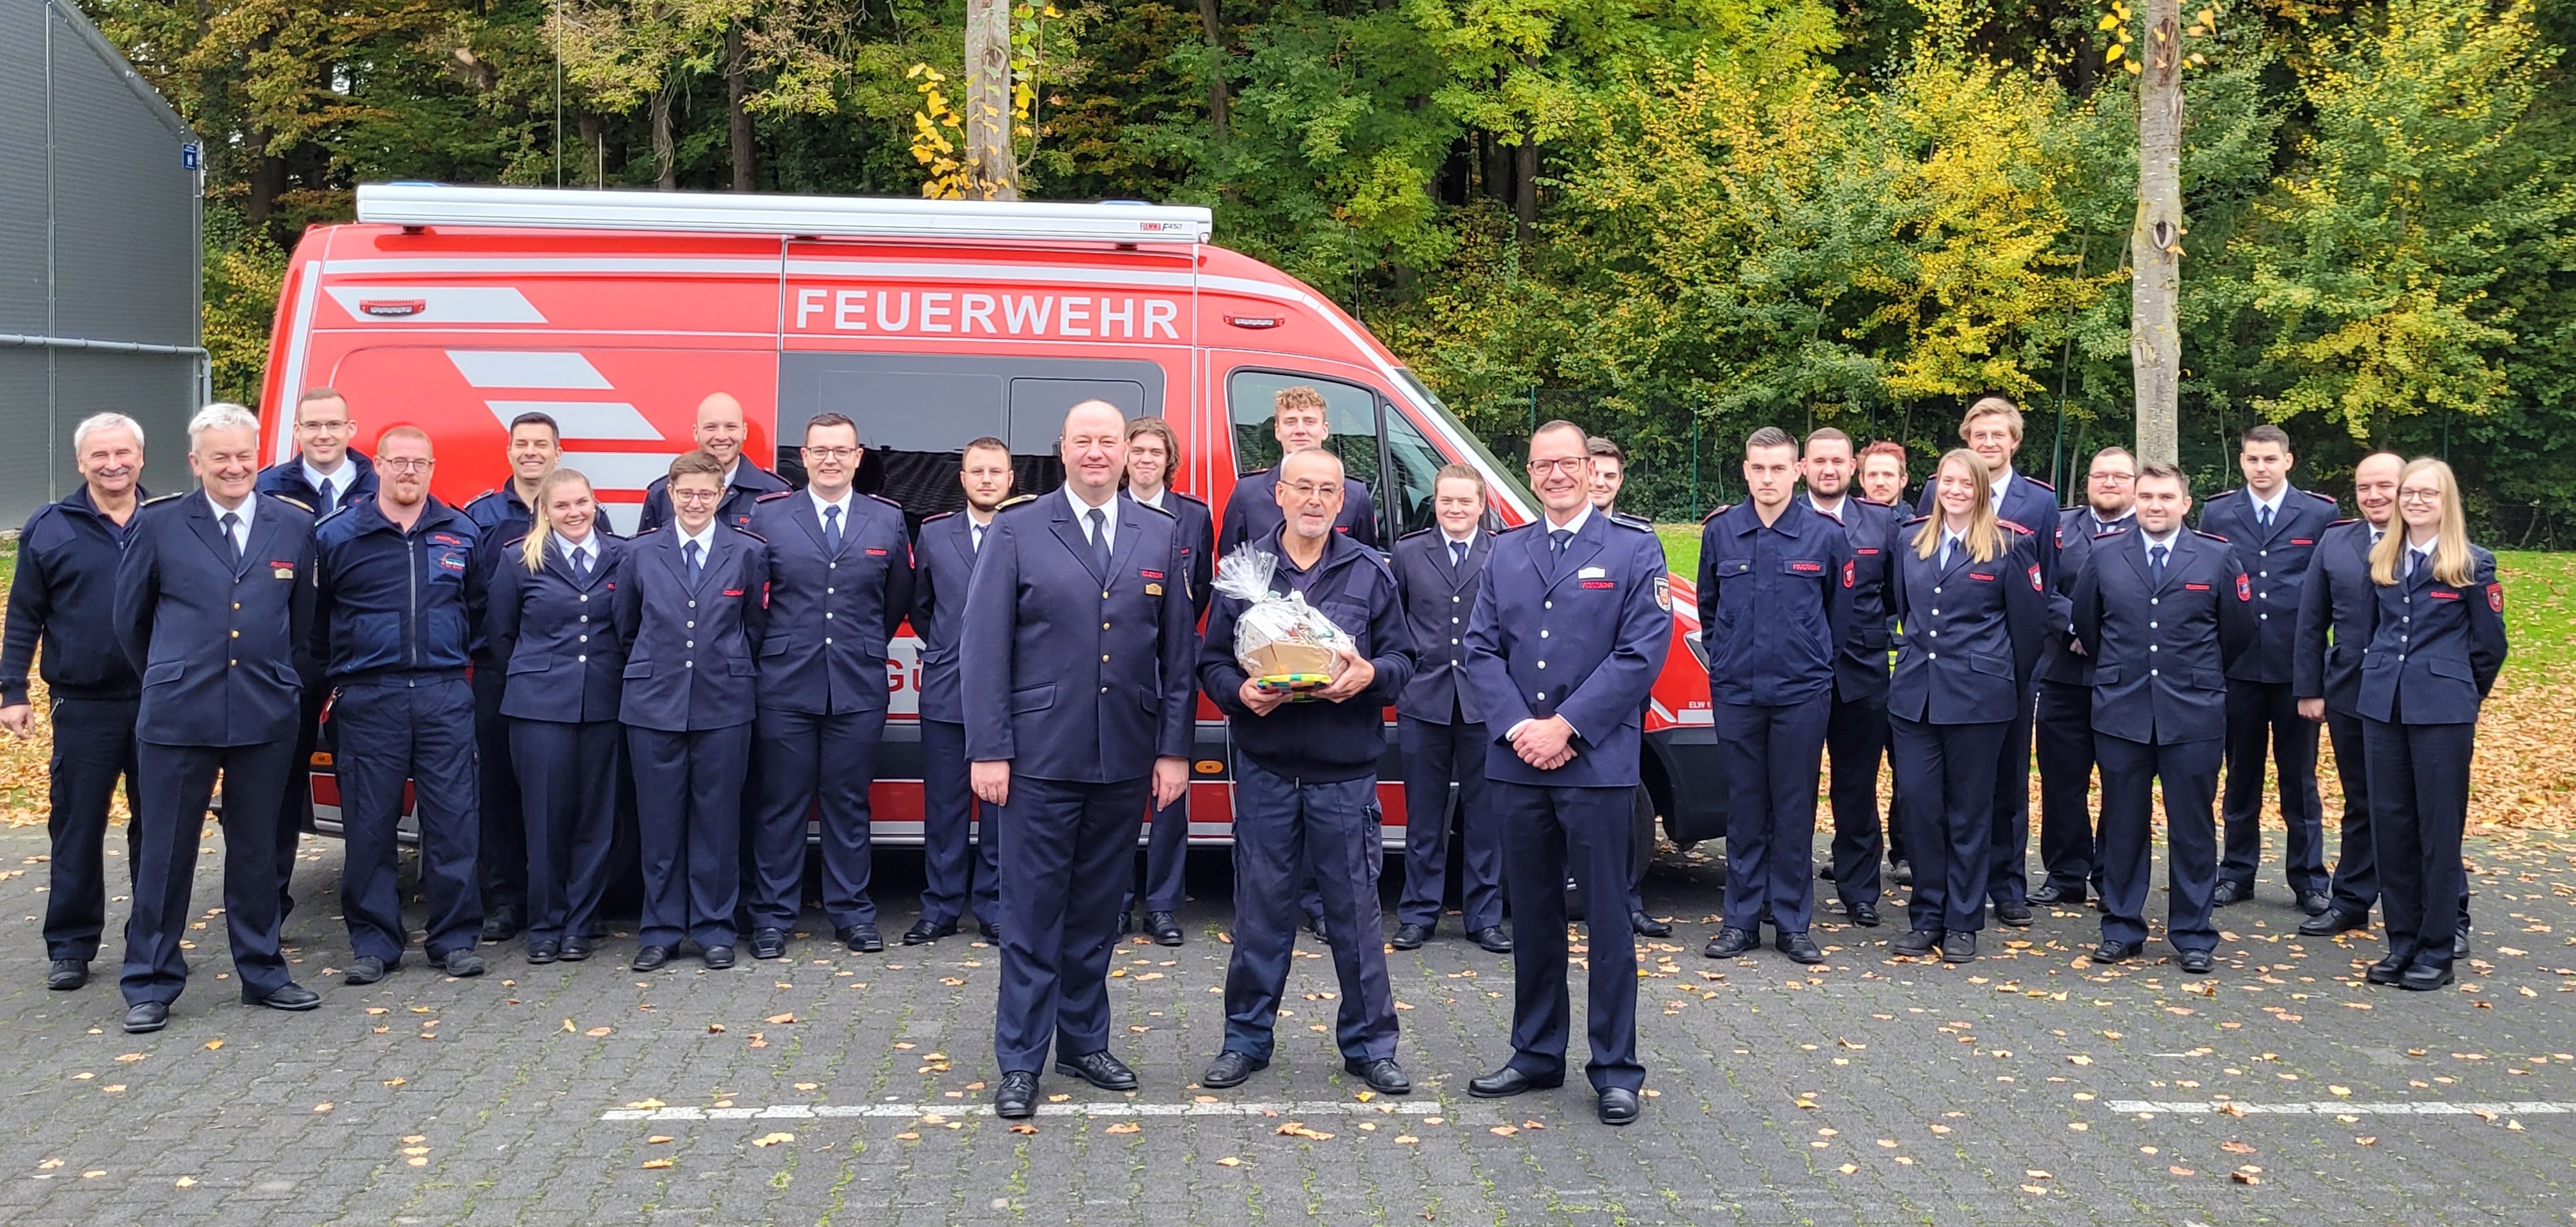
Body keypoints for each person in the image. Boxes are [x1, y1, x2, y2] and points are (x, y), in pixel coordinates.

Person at [963, 401, 1196, 1120]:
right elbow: (983, 649)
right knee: (1032, 914)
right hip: (1037, 758)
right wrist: (991, 749)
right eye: (1083, 441)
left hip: (1124, 757)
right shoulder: (1017, 528)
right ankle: (1020, 1060)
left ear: (1128, 452)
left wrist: (1175, 751)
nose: (1097, 453)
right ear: (1062, 449)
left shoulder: (1159, 533)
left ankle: (1085, 1041)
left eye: (1109, 441)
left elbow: (1178, 659)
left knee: (1099, 913)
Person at [1463, 420, 1671, 1127]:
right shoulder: (1506, 551)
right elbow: (1480, 649)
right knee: (1535, 918)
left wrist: (1567, 726)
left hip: (1597, 764)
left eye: (1567, 463)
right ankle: (1536, 1053)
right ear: (1530, 471)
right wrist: (1523, 727)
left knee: (1609, 920)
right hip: (1519, 764)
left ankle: (1616, 1067)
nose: (1554, 475)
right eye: (1542, 464)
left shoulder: (1633, 547)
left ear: (1591, 469)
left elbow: (1642, 652)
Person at [1197, 448, 1417, 1095]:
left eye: (1330, 490)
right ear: (1280, 495)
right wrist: (1242, 694)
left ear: (1343, 502)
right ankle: (1245, 1041)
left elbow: (1405, 659)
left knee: (1355, 917)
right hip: (1266, 769)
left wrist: (1369, 676)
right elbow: (1211, 663)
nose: (1318, 500)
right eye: (1305, 488)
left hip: (1344, 774)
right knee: (1260, 914)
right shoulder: (1247, 572)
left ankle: (1371, 1047)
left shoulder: (1369, 572)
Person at [112, 403, 323, 1031]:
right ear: (196, 462)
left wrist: (277, 673)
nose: (234, 467)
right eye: (221, 457)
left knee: (259, 851)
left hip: (264, 706)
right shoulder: (159, 525)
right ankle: (150, 981)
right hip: (180, 710)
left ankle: (262, 972)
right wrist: (170, 670)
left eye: (243, 455)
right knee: (167, 851)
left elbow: (303, 618)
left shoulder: (293, 524)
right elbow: (131, 621)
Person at [311, 428, 487, 983]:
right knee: (369, 826)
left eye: (419, 463)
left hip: (442, 694)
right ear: (379, 466)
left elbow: (481, 613)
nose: (408, 472)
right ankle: (374, 943)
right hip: (370, 697)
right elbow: (314, 624)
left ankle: (455, 939)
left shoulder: (461, 532)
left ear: (433, 467)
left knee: (453, 823)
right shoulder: (338, 536)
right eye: (398, 462)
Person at [2071, 462, 2253, 974]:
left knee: (2192, 828)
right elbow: (2088, 622)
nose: (2155, 505)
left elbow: (2236, 634)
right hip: (2121, 710)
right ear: (2135, 498)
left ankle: (2193, 934)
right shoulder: (2105, 555)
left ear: (2184, 503)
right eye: (2146, 495)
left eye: (2166, 496)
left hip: (2192, 713)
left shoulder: (2217, 557)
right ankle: (2122, 928)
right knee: (2123, 825)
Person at [745, 413, 916, 959]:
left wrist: (859, 643)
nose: (830, 460)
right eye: (820, 451)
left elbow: (896, 598)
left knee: (847, 803)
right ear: (804, 456)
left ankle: (852, 913)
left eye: (841, 451)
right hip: (785, 682)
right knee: (782, 804)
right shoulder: (769, 516)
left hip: (857, 682)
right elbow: (752, 599)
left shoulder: (885, 520)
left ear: (858, 457)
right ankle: (772, 917)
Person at [2293, 453, 2471, 948]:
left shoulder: (2437, 548)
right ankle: (2351, 900)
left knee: (2429, 811)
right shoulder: (2336, 541)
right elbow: (2311, 620)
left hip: (2425, 700)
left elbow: (2482, 642)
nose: (2374, 495)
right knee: (2366, 802)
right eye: (2364, 486)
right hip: (2353, 693)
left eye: (2385, 486)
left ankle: (2450, 914)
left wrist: (2458, 693)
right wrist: (2309, 688)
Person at [3, 413, 148, 991]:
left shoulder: (167, 523)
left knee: (158, 829)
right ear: (80, 463)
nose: (112, 464)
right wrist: (13, 690)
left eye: (123, 453)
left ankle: (152, 937)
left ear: (141, 457)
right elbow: (23, 614)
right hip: (83, 705)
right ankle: (70, 945)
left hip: (159, 702)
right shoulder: (51, 527)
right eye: (99, 455)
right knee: (77, 827)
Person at [1883, 450, 2047, 963]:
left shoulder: (2011, 544)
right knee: (1919, 805)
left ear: (1980, 489)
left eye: (1965, 483)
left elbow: (2029, 628)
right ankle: (1926, 913)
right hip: (1916, 696)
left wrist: (2000, 681)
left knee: (1970, 813)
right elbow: (1905, 610)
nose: (1955, 491)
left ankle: (1961, 921)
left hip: (1980, 700)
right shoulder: (1910, 540)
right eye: (1948, 482)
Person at [1698, 428, 1853, 965]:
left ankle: (1792, 924)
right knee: (1744, 807)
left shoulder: (1825, 536)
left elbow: (1839, 614)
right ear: (1746, 471)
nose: (1768, 478)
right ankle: (1739, 922)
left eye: (1778, 468)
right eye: (1758, 468)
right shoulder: (1721, 533)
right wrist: (1727, 661)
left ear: (1798, 471)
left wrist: (1809, 661)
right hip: (1738, 691)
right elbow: (1710, 610)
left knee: (1793, 807)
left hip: (1801, 693)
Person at [2354, 459, 2506, 991]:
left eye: (2428, 494)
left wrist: (2460, 692)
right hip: (2384, 708)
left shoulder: (2471, 563)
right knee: (2391, 829)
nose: (2416, 502)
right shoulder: (2384, 559)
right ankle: (2402, 943)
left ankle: (2437, 949)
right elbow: (2374, 632)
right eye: (2409, 493)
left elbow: (2489, 647)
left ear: (2447, 501)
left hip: (2442, 712)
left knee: (2437, 831)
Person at [615, 451, 769, 971]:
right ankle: (659, 930)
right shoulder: (639, 554)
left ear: (722, 495)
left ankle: (714, 927)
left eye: (706, 493)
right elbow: (627, 625)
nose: (696, 502)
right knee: (658, 825)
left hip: (723, 704)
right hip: (653, 703)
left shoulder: (747, 552)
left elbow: (754, 624)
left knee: (718, 824)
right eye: (686, 493)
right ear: (669, 495)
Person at [1915, 397, 2057, 925]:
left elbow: (2041, 596)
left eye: (1998, 435)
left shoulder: (2038, 503)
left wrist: (2014, 670)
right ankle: (1945, 895)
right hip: (1939, 675)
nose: (1989, 443)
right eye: (1980, 435)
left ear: (2014, 441)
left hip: (2005, 672)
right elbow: (1917, 592)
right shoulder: (1935, 495)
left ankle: (2007, 883)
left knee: (2006, 784)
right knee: (1947, 795)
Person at [486, 468, 627, 964]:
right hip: (539, 708)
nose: (575, 513)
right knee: (545, 819)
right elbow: (501, 636)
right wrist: (538, 679)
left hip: (604, 704)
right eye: (563, 505)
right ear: (545, 510)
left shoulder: (622, 556)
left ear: (595, 504)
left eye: (582, 503)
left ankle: (580, 924)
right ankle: (545, 923)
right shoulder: (519, 560)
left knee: (596, 819)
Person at [2198, 425, 2340, 914]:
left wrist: (2317, 675)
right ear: (2242, 462)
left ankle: (2308, 878)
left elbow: (2327, 592)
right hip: (2236, 666)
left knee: (2299, 778)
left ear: (2288, 461)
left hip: (2295, 669)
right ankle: (2236, 871)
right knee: (2240, 775)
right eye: (2253, 459)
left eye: (2270, 459)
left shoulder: (2320, 514)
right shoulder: (2218, 512)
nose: (2261, 468)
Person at [255, 387, 378, 920]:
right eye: (312, 426)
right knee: (279, 785)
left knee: (366, 784)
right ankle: (268, 905)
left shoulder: (380, 485)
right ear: (298, 432)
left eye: (333, 424)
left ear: (352, 429)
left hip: (359, 656)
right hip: (293, 657)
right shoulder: (268, 488)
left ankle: (368, 906)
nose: (323, 435)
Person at [1390, 464, 1511, 955]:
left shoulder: (1502, 552)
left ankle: (1484, 917)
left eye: (1465, 502)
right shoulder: (1408, 552)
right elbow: (1393, 620)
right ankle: (1419, 913)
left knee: (1485, 817)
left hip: (1485, 703)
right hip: (1424, 699)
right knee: (1424, 816)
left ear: (1481, 506)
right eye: (1447, 502)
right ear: (1435, 503)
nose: (1456, 510)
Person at [907, 438, 1015, 945]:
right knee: (945, 808)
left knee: (1000, 809)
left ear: (1011, 479)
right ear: (963, 479)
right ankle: (941, 906)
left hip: (1011, 694)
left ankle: (995, 907)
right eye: (978, 471)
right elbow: (921, 607)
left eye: (996, 471)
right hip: (948, 688)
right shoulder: (934, 535)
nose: (987, 479)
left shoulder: (1025, 533)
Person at [463, 411, 561, 943]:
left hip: (561, 678)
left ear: (557, 452)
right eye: (522, 444)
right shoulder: (481, 516)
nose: (531, 452)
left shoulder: (577, 511)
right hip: (498, 674)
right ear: (509, 452)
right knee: (497, 790)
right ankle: (503, 900)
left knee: (553, 794)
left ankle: (556, 897)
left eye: (541, 444)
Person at [1802, 426, 1903, 927]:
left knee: (1856, 789)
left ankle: (1859, 891)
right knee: (1793, 789)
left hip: (1862, 677)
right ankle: (1788, 892)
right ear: (1804, 467)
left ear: (1852, 468)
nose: (1829, 470)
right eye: (1819, 461)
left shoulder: (1882, 525)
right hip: (1797, 677)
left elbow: (1893, 597)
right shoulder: (1784, 519)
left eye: (1838, 462)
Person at [2030, 447, 2138, 908]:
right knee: (2062, 780)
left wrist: (2099, 635)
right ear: (2088, 482)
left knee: (2122, 781)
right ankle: (2065, 872)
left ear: (2135, 483)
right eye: (2100, 476)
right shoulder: (2061, 528)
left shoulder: (2150, 528)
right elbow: (2041, 584)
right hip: (2062, 671)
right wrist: (2073, 627)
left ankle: (2113, 874)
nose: (2109, 483)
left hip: (2123, 677)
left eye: (2119, 476)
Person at [1121, 415, 1214, 946]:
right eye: (1139, 451)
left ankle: (1162, 906)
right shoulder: (1109, 513)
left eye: (1157, 452)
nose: (1147, 460)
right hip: (1119, 668)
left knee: (1172, 793)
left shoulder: (1192, 518)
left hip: (1173, 665)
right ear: (1126, 458)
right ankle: (1114, 904)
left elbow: (1196, 592)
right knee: (1118, 795)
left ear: (1168, 461)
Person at [1584, 435, 1670, 938]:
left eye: (1610, 477)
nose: (1600, 483)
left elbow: (1650, 624)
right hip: (1558, 694)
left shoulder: (1639, 539)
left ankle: (1627, 902)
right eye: (1593, 473)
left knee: (1622, 802)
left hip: (1618, 696)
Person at [1218, 385, 1379, 553]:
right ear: (1278, 431)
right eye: (1291, 422)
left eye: (1309, 421)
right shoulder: (1248, 493)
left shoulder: (1355, 494)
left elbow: (1365, 563)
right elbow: (1230, 566)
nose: (1300, 430)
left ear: (1324, 430)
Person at [634, 392, 790, 534]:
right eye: (711, 427)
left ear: (744, 432)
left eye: (730, 427)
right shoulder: (662, 493)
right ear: (696, 433)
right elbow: (646, 557)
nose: (721, 436)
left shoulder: (774, 493)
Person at [1858, 442, 1910, 509]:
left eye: (1888, 475)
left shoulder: (1914, 519)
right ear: (1862, 480)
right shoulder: (1844, 518)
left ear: (1903, 481)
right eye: (1872, 475)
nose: (1880, 482)